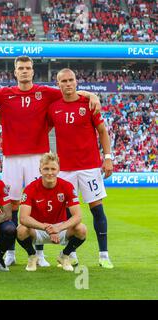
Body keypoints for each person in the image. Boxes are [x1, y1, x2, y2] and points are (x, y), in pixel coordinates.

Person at [0, 56, 101, 267]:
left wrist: (92, 94)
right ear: (15, 72)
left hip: (37, 156)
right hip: (12, 157)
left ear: (32, 71)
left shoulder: (45, 92)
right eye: (20, 68)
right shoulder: (4, 93)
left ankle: (39, 253)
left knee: (37, 204)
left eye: (27, 68)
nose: (24, 71)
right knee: (13, 203)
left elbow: (69, 91)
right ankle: (10, 252)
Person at [48, 68, 114, 268]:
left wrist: (108, 158)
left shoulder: (88, 103)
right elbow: (44, 131)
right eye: (63, 81)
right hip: (65, 169)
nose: (68, 84)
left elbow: (102, 131)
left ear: (76, 82)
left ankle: (104, 255)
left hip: (89, 167)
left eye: (71, 80)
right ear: (58, 84)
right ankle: (71, 253)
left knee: (97, 210)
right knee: (69, 214)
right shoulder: (53, 107)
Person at [17, 152, 87, 272]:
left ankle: (64, 256)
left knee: (82, 229)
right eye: (46, 169)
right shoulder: (30, 188)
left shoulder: (67, 187)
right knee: (21, 230)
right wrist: (45, 227)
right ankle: (32, 256)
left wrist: (59, 228)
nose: (50, 172)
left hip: (60, 228)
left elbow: (77, 216)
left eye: (53, 169)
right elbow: (23, 218)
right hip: (38, 229)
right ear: (40, 170)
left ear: (58, 170)